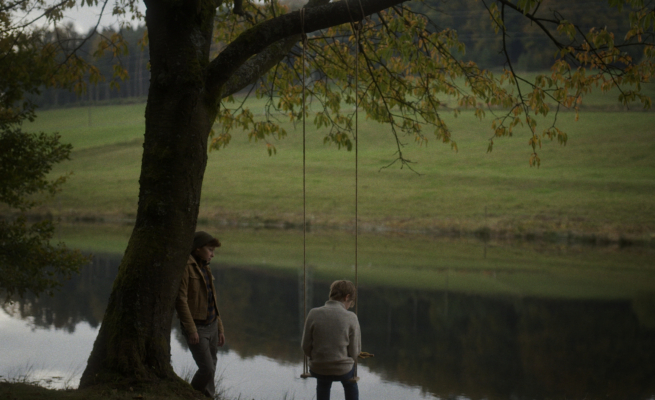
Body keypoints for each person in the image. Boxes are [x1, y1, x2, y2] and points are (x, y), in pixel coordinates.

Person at [176, 231, 225, 398]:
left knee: (213, 364)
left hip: (212, 326)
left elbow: (212, 300)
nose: (212, 254)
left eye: (214, 251)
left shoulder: (205, 267)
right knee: (207, 368)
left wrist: (220, 328)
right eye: (210, 249)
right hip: (197, 327)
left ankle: (208, 396)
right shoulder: (186, 267)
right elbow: (181, 300)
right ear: (197, 249)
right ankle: (191, 395)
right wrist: (191, 329)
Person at [301, 280, 361, 400]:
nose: (349, 306)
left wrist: (319, 357)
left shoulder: (313, 313)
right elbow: (354, 353)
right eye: (350, 302)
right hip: (342, 370)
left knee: (323, 381)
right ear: (347, 297)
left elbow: (305, 347)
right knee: (350, 383)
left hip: (318, 368)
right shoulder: (351, 317)